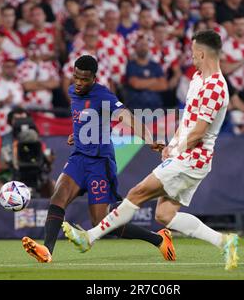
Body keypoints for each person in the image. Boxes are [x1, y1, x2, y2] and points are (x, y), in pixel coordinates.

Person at [62, 30, 240, 271]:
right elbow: (187, 120)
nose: (191, 56)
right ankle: (224, 241)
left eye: (193, 52)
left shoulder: (215, 87)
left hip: (192, 158)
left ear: (201, 52)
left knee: (137, 193)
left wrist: (175, 148)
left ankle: (89, 238)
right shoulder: (198, 79)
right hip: (186, 155)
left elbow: (198, 132)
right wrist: (172, 145)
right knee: (165, 215)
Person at [21, 55, 175, 263]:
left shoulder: (103, 96)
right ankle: (47, 251)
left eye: (84, 79)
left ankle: (158, 239)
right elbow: (85, 119)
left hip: (100, 163)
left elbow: (127, 117)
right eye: (76, 77)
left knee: (102, 222)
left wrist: (148, 139)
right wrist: (77, 134)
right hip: (78, 158)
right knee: (59, 196)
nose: (78, 83)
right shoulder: (72, 91)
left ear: (94, 78)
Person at [0, 106, 55, 199]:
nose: (21, 122)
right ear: (10, 122)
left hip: (33, 177)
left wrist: (48, 160)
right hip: (9, 178)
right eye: (17, 119)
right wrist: (11, 163)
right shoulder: (1, 140)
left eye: (24, 119)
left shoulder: (35, 140)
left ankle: (54, 213)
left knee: (54, 187)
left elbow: (46, 166)